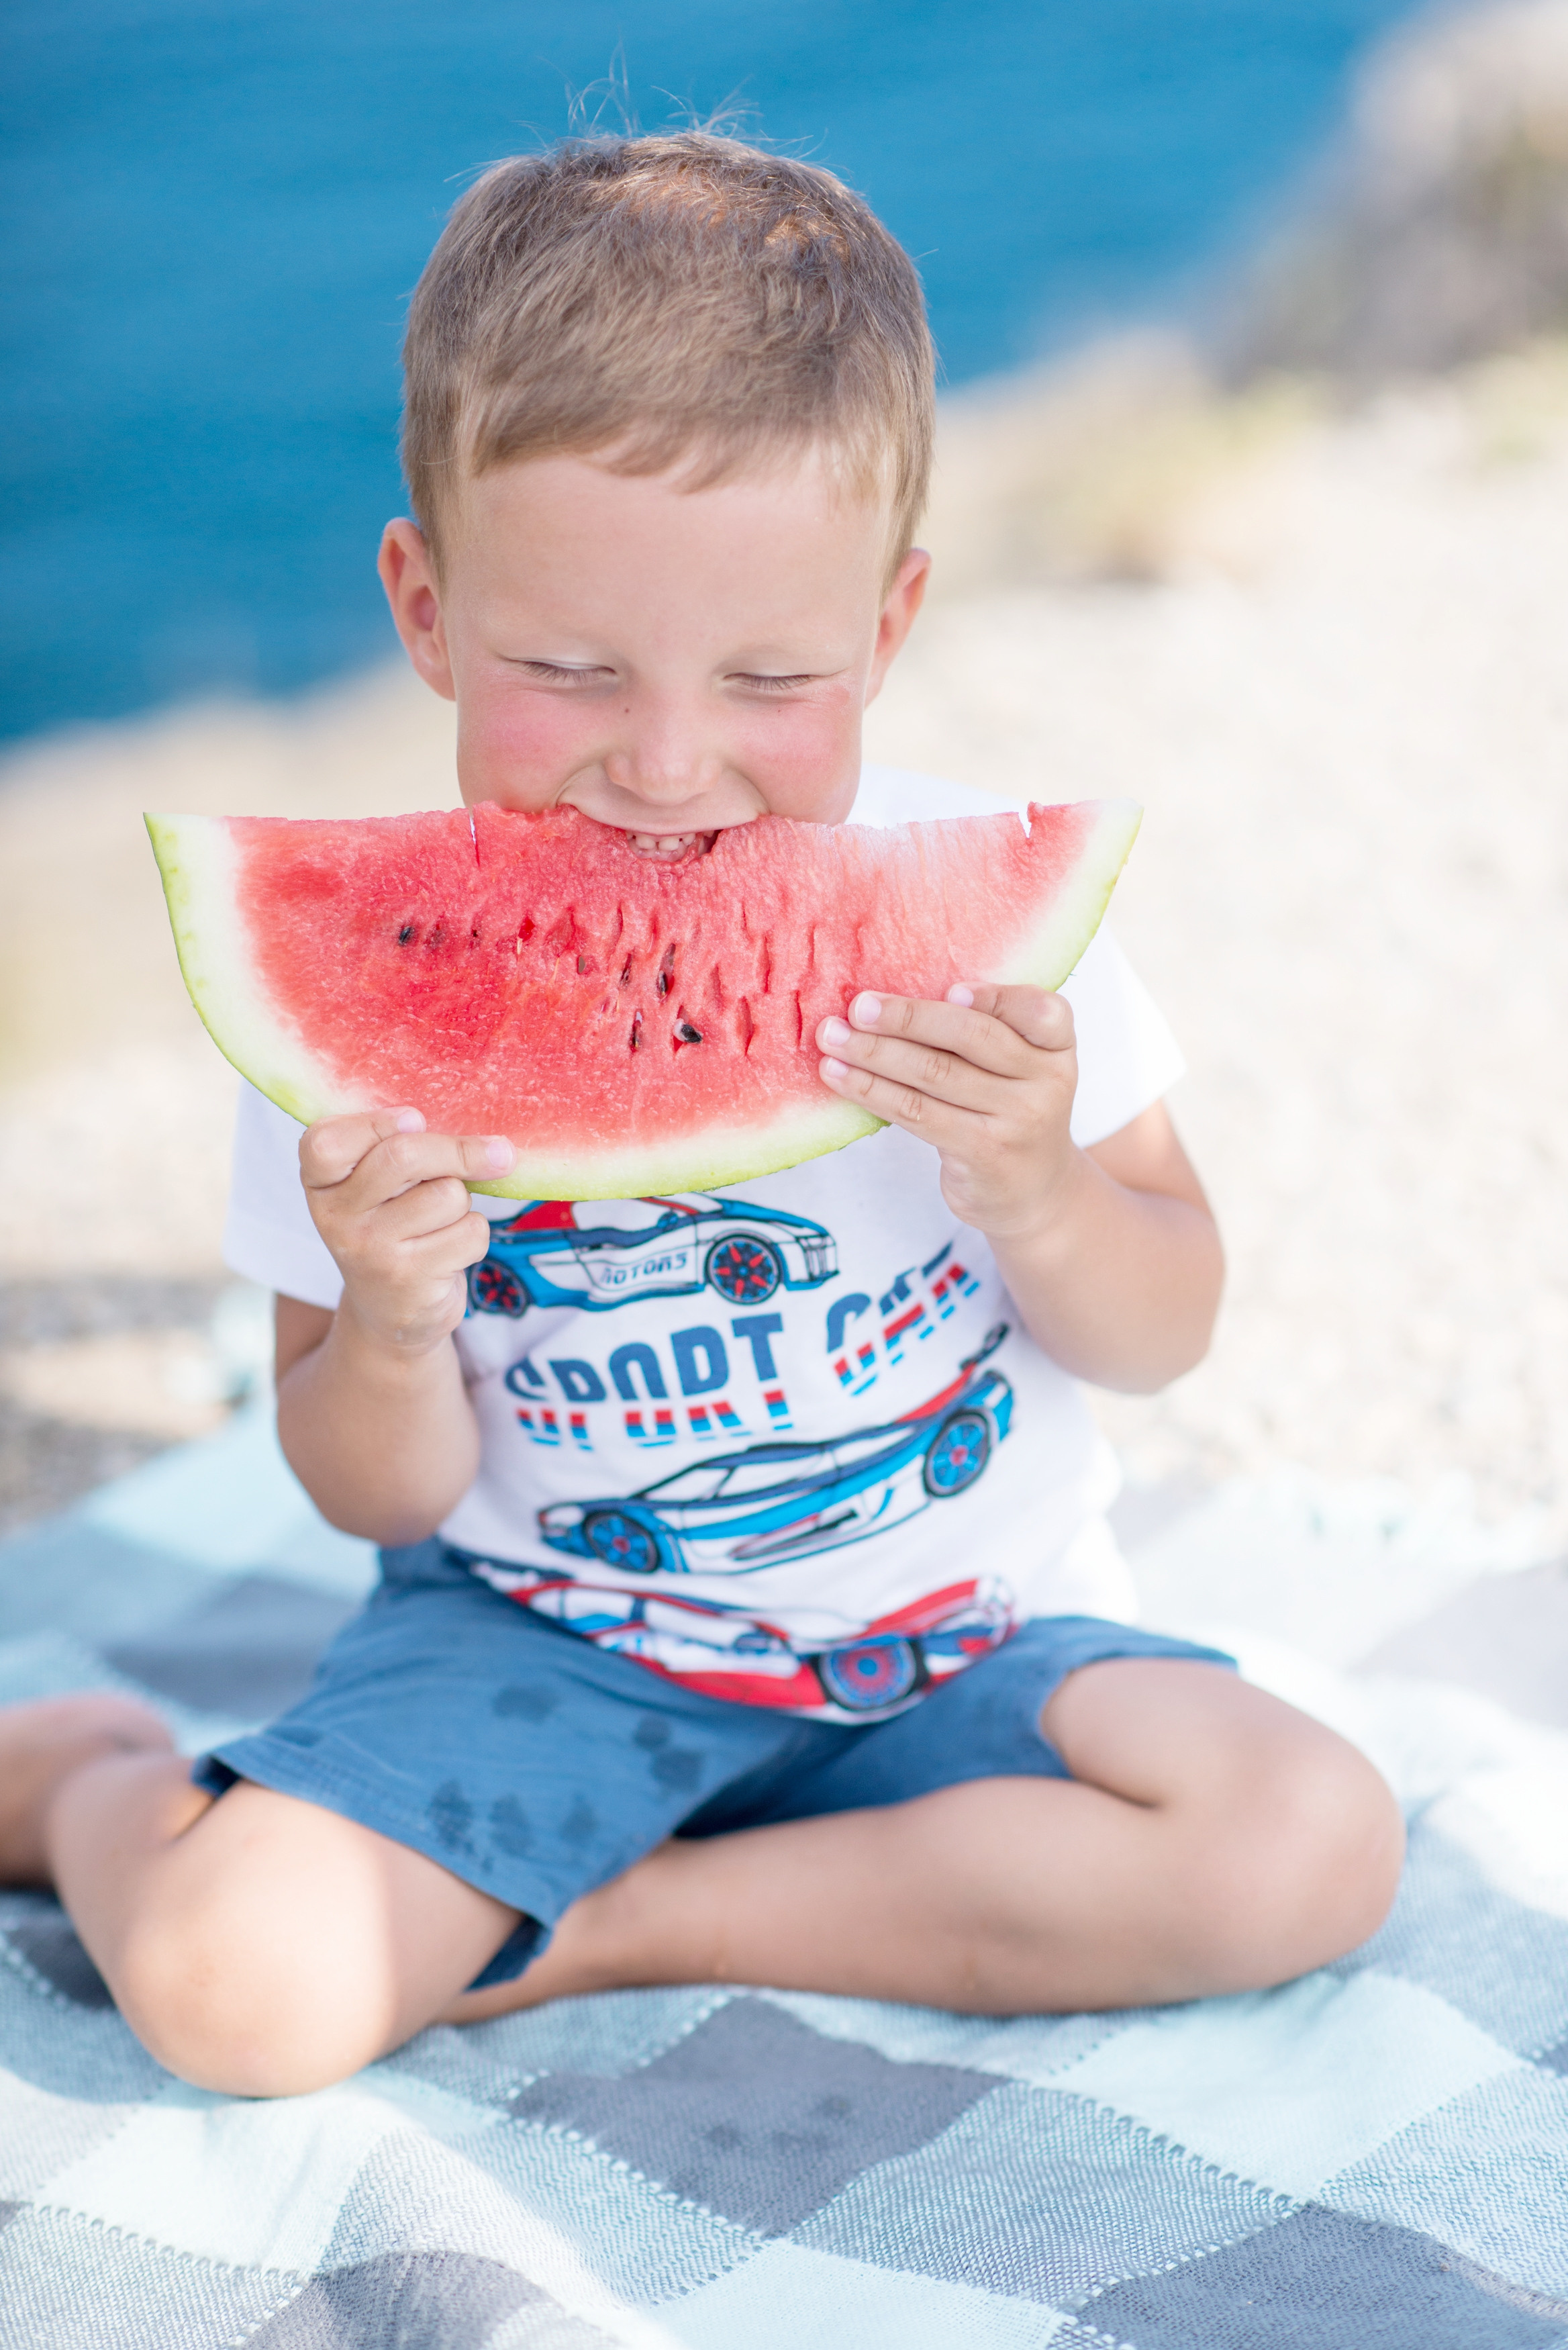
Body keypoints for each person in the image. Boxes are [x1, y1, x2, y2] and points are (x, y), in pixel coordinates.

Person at [0, 135, 1404, 2095]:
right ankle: (91, 1780)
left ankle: (624, 1918)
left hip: (966, 1633)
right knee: (236, 1993)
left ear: (889, 627)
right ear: (424, 608)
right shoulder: (360, 1046)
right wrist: (391, 1316)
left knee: (1311, 1840)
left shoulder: (1003, 952)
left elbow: (1166, 1324)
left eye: (772, 675)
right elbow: (367, 1490)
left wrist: (1040, 1189)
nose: (667, 766)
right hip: (536, 1648)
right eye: (568, 669)